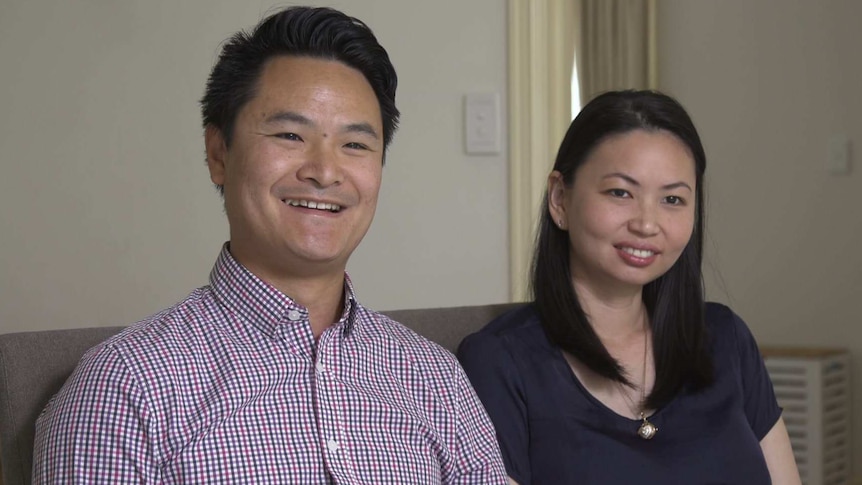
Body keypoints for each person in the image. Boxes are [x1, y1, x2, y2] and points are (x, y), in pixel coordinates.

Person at [32, 6, 507, 483]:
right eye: (289, 134)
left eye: (356, 145)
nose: (324, 171)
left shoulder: (434, 377)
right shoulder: (126, 386)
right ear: (219, 154)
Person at [458, 90, 800, 484]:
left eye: (672, 199)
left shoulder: (726, 338)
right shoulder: (499, 362)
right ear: (560, 198)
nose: (647, 223)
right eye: (620, 192)